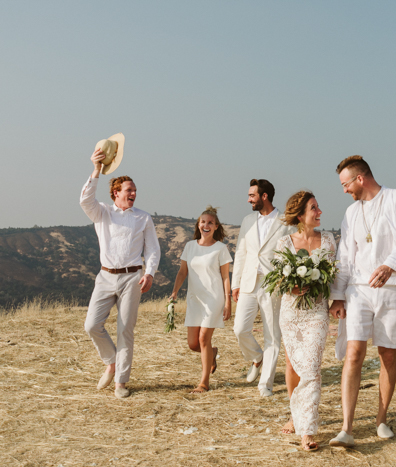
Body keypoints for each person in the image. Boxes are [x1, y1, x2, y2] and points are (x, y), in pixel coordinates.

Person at [329, 156, 396, 447]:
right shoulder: (350, 213)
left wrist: (390, 266)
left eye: (345, 184)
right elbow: (345, 256)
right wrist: (337, 295)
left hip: (393, 287)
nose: (344, 190)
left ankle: (381, 419)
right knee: (353, 354)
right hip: (359, 289)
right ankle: (346, 427)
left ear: (360, 179)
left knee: (388, 355)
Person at [80, 146, 160, 399]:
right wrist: (96, 170)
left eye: (135, 190)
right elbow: (85, 200)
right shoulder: (101, 211)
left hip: (132, 278)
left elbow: (153, 250)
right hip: (105, 277)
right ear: (116, 193)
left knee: (125, 330)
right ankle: (112, 362)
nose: (134, 193)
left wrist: (150, 274)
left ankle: (121, 383)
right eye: (129, 190)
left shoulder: (143, 218)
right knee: (92, 325)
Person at [276, 191, 335, 452]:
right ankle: (295, 414)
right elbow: (278, 280)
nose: (319, 212)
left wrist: (338, 301)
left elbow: (335, 275)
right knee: (292, 364)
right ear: (301, 215)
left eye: (318, 207)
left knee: (310, 367)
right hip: (291, 312)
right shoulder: (284, 243)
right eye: (314, 208)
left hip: (317, 312)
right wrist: (291, 287)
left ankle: (307, 430)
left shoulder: (329, 242)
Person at [231, 179, 295, 397]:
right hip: (249, 282)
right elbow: (241, 253)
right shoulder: (248, 220)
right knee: (239, 329)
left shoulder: (286, 222)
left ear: (264, 196)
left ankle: (265, 384)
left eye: (252, 195)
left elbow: (293, 253)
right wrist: (235, 283)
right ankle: (257, 358)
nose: (248, 199)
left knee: (273, 335)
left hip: (273, 284)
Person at [170, 206, 233, 393]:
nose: (206, 225)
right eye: (203, 222)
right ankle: (212, 353)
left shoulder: (221, 248)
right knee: (193, 344)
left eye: (210, 222)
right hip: (194, 299)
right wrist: (174, 292)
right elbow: (183, 272)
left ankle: (204, 383)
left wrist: (228, 302)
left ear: (215, 226)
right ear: (199, 225)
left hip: (214, 298)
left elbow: (225, 277)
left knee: (204, 338)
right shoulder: (190, 246)